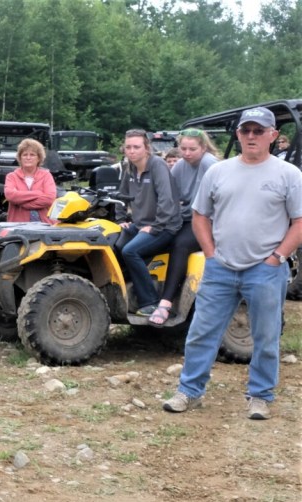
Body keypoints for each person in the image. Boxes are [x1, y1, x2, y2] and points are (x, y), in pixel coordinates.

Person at [163, 106, 302, 420]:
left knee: (265, 337)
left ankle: (260, 396)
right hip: (220, 267)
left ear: (273, 135)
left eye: (258, 131)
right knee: (201, 332)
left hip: (265, 270)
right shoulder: (218, 171)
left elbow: (299, 222)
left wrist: (275, 258)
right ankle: (189, 391)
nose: (251, 136)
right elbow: (200, 216)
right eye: (245, 131)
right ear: (238, 134)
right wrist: (210, 254)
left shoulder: (289, 175)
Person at [147, 129, 219, 326]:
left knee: (180, 244)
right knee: (154, 238)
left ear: (203, 148)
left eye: (192, 149)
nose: (187, 153)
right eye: (183, 148)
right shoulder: (180, 166)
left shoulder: (209, 164)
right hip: (184, 218)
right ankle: (147, 295)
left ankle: (166, 302)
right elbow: (166, 194)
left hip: (207, 220)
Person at [114, 129, 181, 316]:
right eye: (128, 147)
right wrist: (121, 219)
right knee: (116, 244)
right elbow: (121, 196)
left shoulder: (157, 165)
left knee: (130, 250)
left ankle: (150, 302)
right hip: (140, 223)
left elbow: (167, 200)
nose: (132, 151)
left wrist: (156, 226)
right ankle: (129, 292)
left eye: (136, 147)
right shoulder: (130, 167)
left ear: (146, 148)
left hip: (165, 226)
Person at [4, 138, 57, 224]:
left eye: (32, 155)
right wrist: (38, 193)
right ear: (20, 158)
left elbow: (49, 199)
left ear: (39, 158)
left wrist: (22, 203)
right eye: (25, 155)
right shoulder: (11, 177)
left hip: (45, 225)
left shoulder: (46, 176)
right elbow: (11, 196)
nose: (28, 158)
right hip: (18, 226)